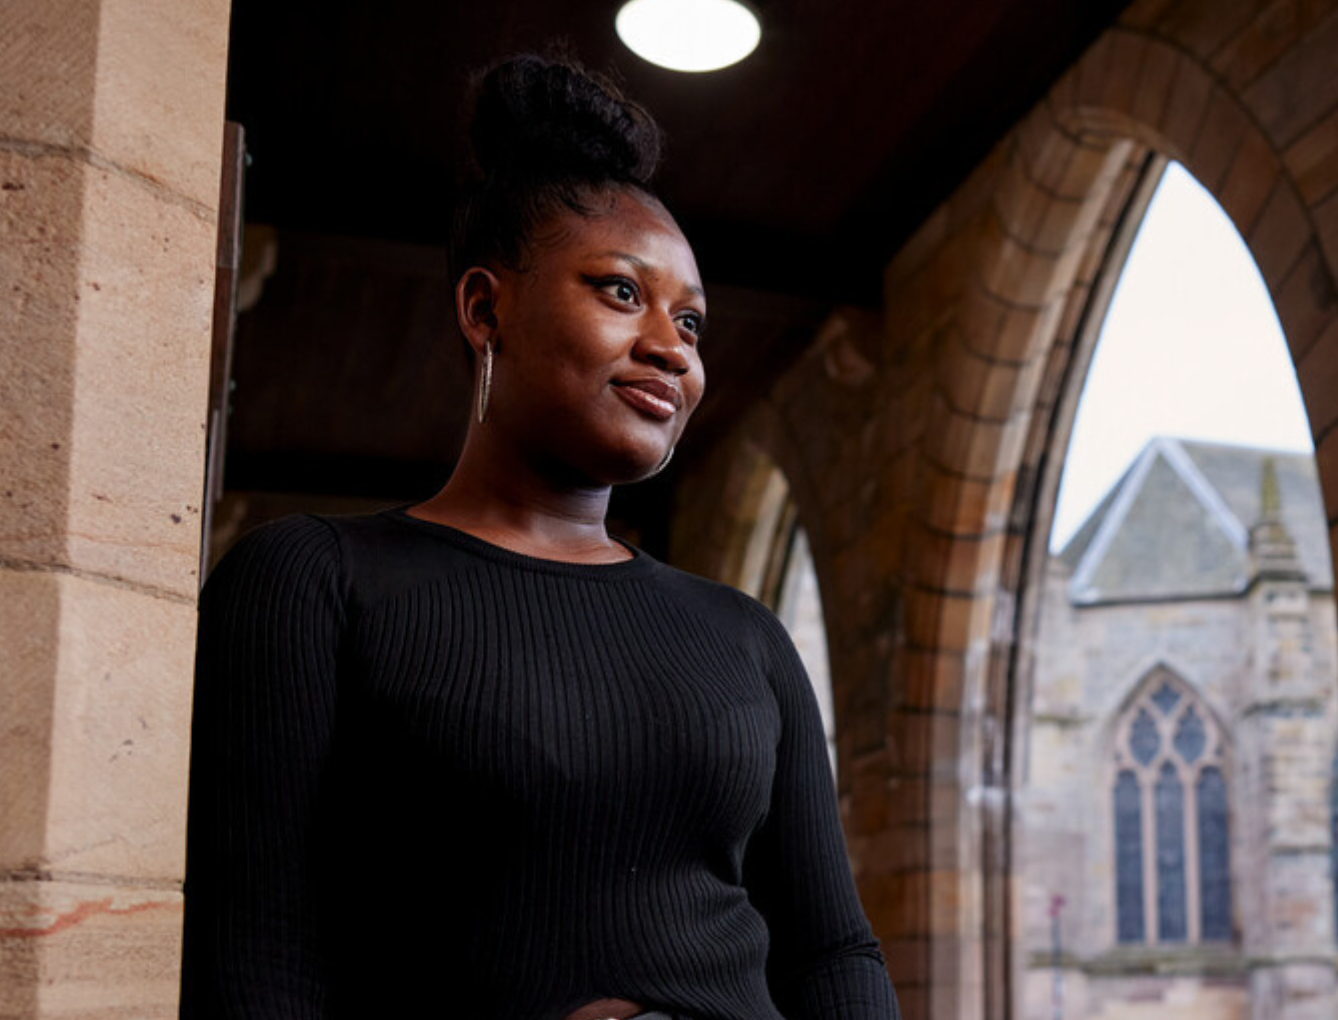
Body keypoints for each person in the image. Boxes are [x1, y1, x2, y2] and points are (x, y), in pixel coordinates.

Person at [179, 54, 900, 1020]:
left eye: (690, 321)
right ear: (486, 308)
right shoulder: (310, 582)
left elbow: (832, 955)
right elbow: (255, 961)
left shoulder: (745, 637)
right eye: (619, 292)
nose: (671, 347)